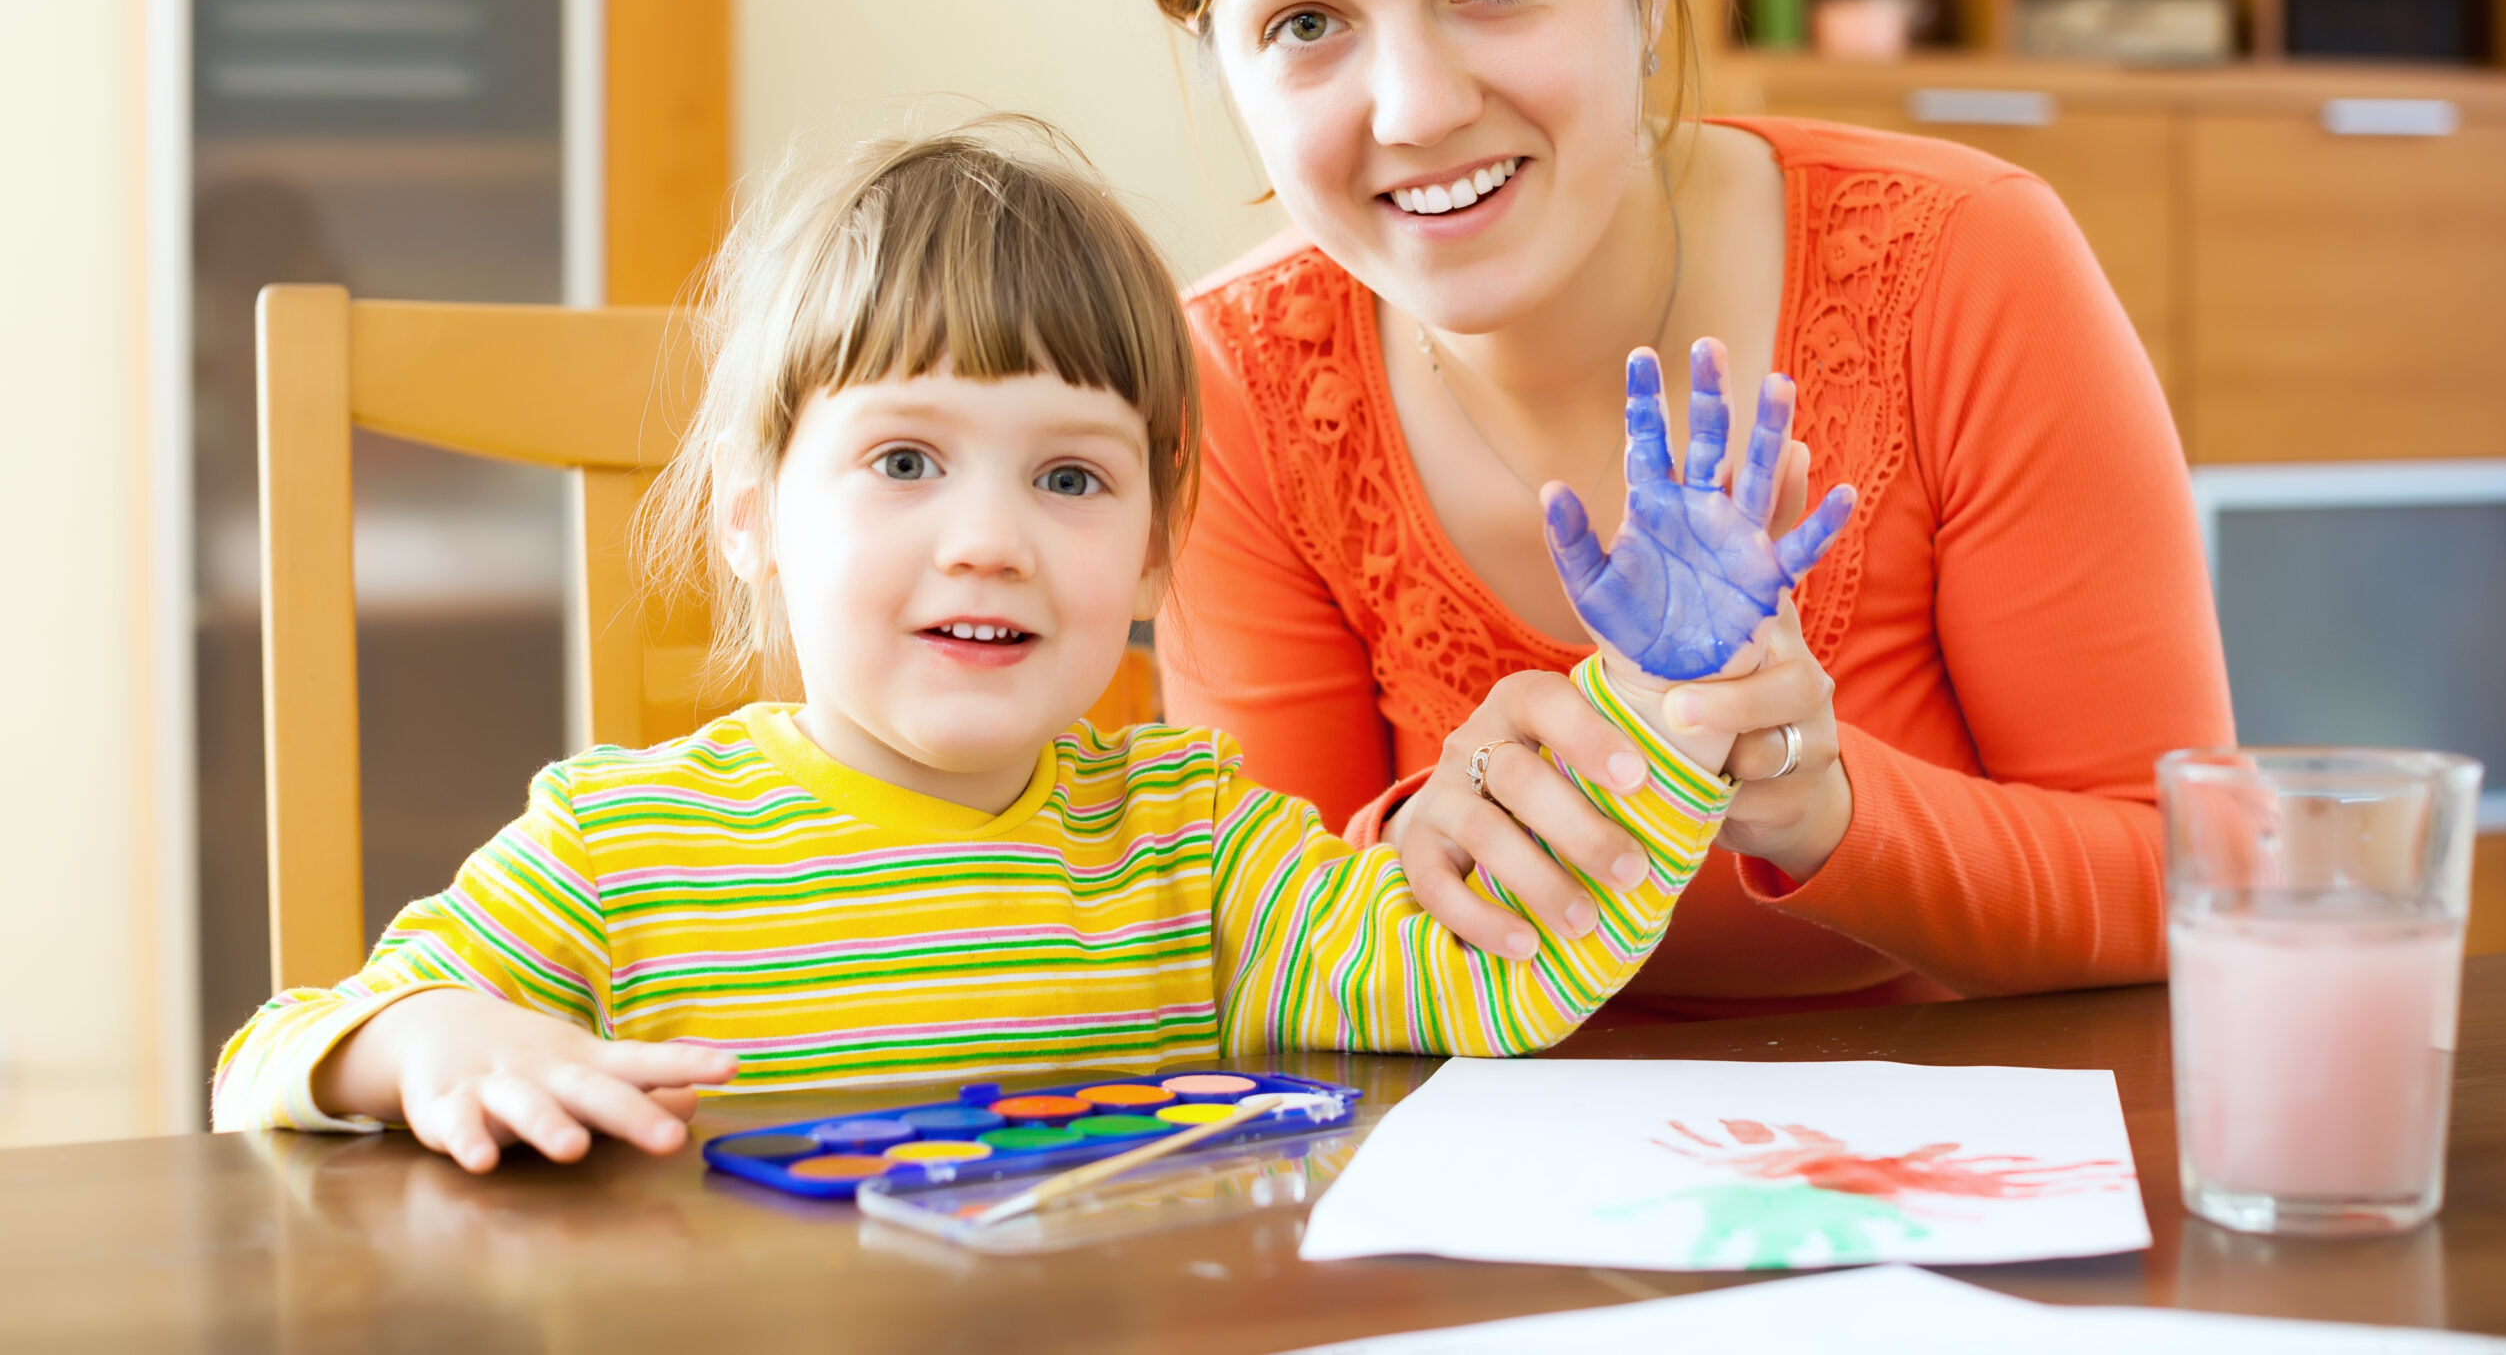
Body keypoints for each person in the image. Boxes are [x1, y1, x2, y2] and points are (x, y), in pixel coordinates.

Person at [211, 118, 1839, 1171]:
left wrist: (1665, 714)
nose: (987, 535)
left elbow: (1482, 977)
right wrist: (430, 1041)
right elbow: (270, 1057)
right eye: (906, 461)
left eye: (1069, 475)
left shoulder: (1192, 848)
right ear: (752, 516)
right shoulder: (618, 848)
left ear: (1146, 551)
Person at [1144, 0, 2233, 1016]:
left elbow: (2181, 870)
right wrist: (1399, 858)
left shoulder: (1966, 264)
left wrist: (1822, 802)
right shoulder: (1226, 383)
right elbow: (1257, 954)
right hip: (1474, 1214)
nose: (1413, 106)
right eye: (1306, 24)